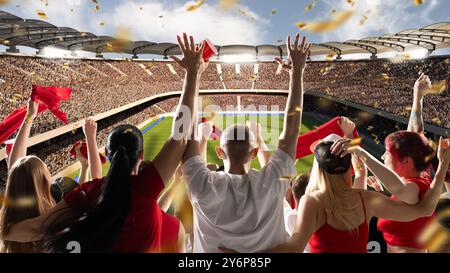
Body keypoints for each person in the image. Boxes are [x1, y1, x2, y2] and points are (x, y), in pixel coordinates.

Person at [2, 33, 208, 253]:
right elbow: (180, 134)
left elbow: (37, 228)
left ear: (108, 155)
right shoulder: (145, 188)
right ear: (140, 156)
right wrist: (193, 74)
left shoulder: (90, 191)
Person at [181, 33, 310, 252]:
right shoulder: (274, 180)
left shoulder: (202, 185)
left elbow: (186, 129)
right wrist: (297, 73)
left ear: (220, 153)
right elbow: (291, 130)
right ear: (255, 151)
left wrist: (193, 74)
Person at [219, 135, 449, 253]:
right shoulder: (365, 199)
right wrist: (442, 164)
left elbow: (294, 247)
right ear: (349, 166)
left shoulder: (312, 202)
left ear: (318, 169)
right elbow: (424, 209)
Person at [375, 74, 445, 252]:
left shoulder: (413, 186)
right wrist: (417, 97)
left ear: (405, 161)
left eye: (387, 154)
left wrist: (361, 155)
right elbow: (415, 134)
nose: (383, 157)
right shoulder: (420, 176)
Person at [0, 99, 56, 253]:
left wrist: (29, 118)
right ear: (44, 181)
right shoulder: (53, 218)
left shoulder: (7, 223)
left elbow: (17, 171)